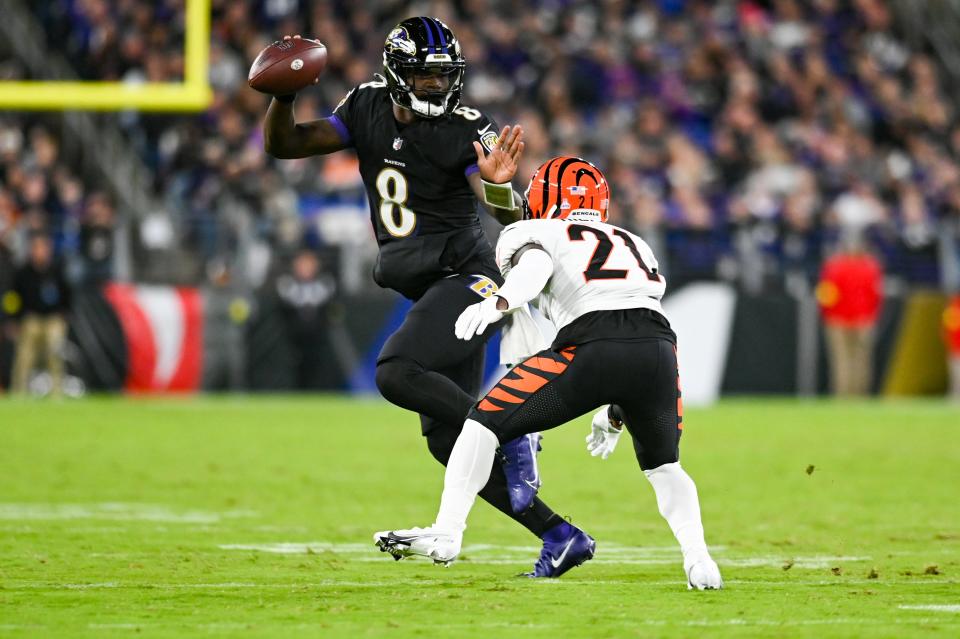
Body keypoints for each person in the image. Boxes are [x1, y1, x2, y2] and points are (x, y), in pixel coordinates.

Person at [263, 18, 591, 576]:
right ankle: (559, 535)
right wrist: (283, 95)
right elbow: (286, 142)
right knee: (447, 443)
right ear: (396, 75)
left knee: (394, 370)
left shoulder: (467, 128)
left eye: (444, 77)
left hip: (469, 280)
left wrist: (497, 186)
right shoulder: (366, 104)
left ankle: (508, 431)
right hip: (430, 285)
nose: (438, 87)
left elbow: (511, 220)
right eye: (425, 76)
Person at [375, 157, 723, 590]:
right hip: (657, 349)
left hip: (591, 345)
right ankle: (700, 562)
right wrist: (618, 409)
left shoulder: (532, 231)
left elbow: (535, 270)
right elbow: (632, 316)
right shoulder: (633, 240)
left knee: (482, 421)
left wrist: (499, 301)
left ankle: (447, 532)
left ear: (542, 197)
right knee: (666, 467)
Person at [816, 233, 883, 396]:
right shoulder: (871, 266)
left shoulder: (833, 266)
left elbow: (826, 294)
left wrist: (827, 314)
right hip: (863, 320)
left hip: (837, 320)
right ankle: (860, 395)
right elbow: (876, 295)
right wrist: (871, 316)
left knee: (841, 361)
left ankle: (843, 395)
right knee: (862, 360)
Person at [11, 233, 72, 396]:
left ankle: (57, 392)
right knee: (24, 356)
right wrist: (14, 319)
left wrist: (64, 314)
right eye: (36, 248)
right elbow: (13, 298)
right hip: (31, 318)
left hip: (52, 318)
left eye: (43, 248)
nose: (40, 252)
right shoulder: (23, 272)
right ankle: (19, 392)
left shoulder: (56, 270)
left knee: (55, 352)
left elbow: (68, 294)